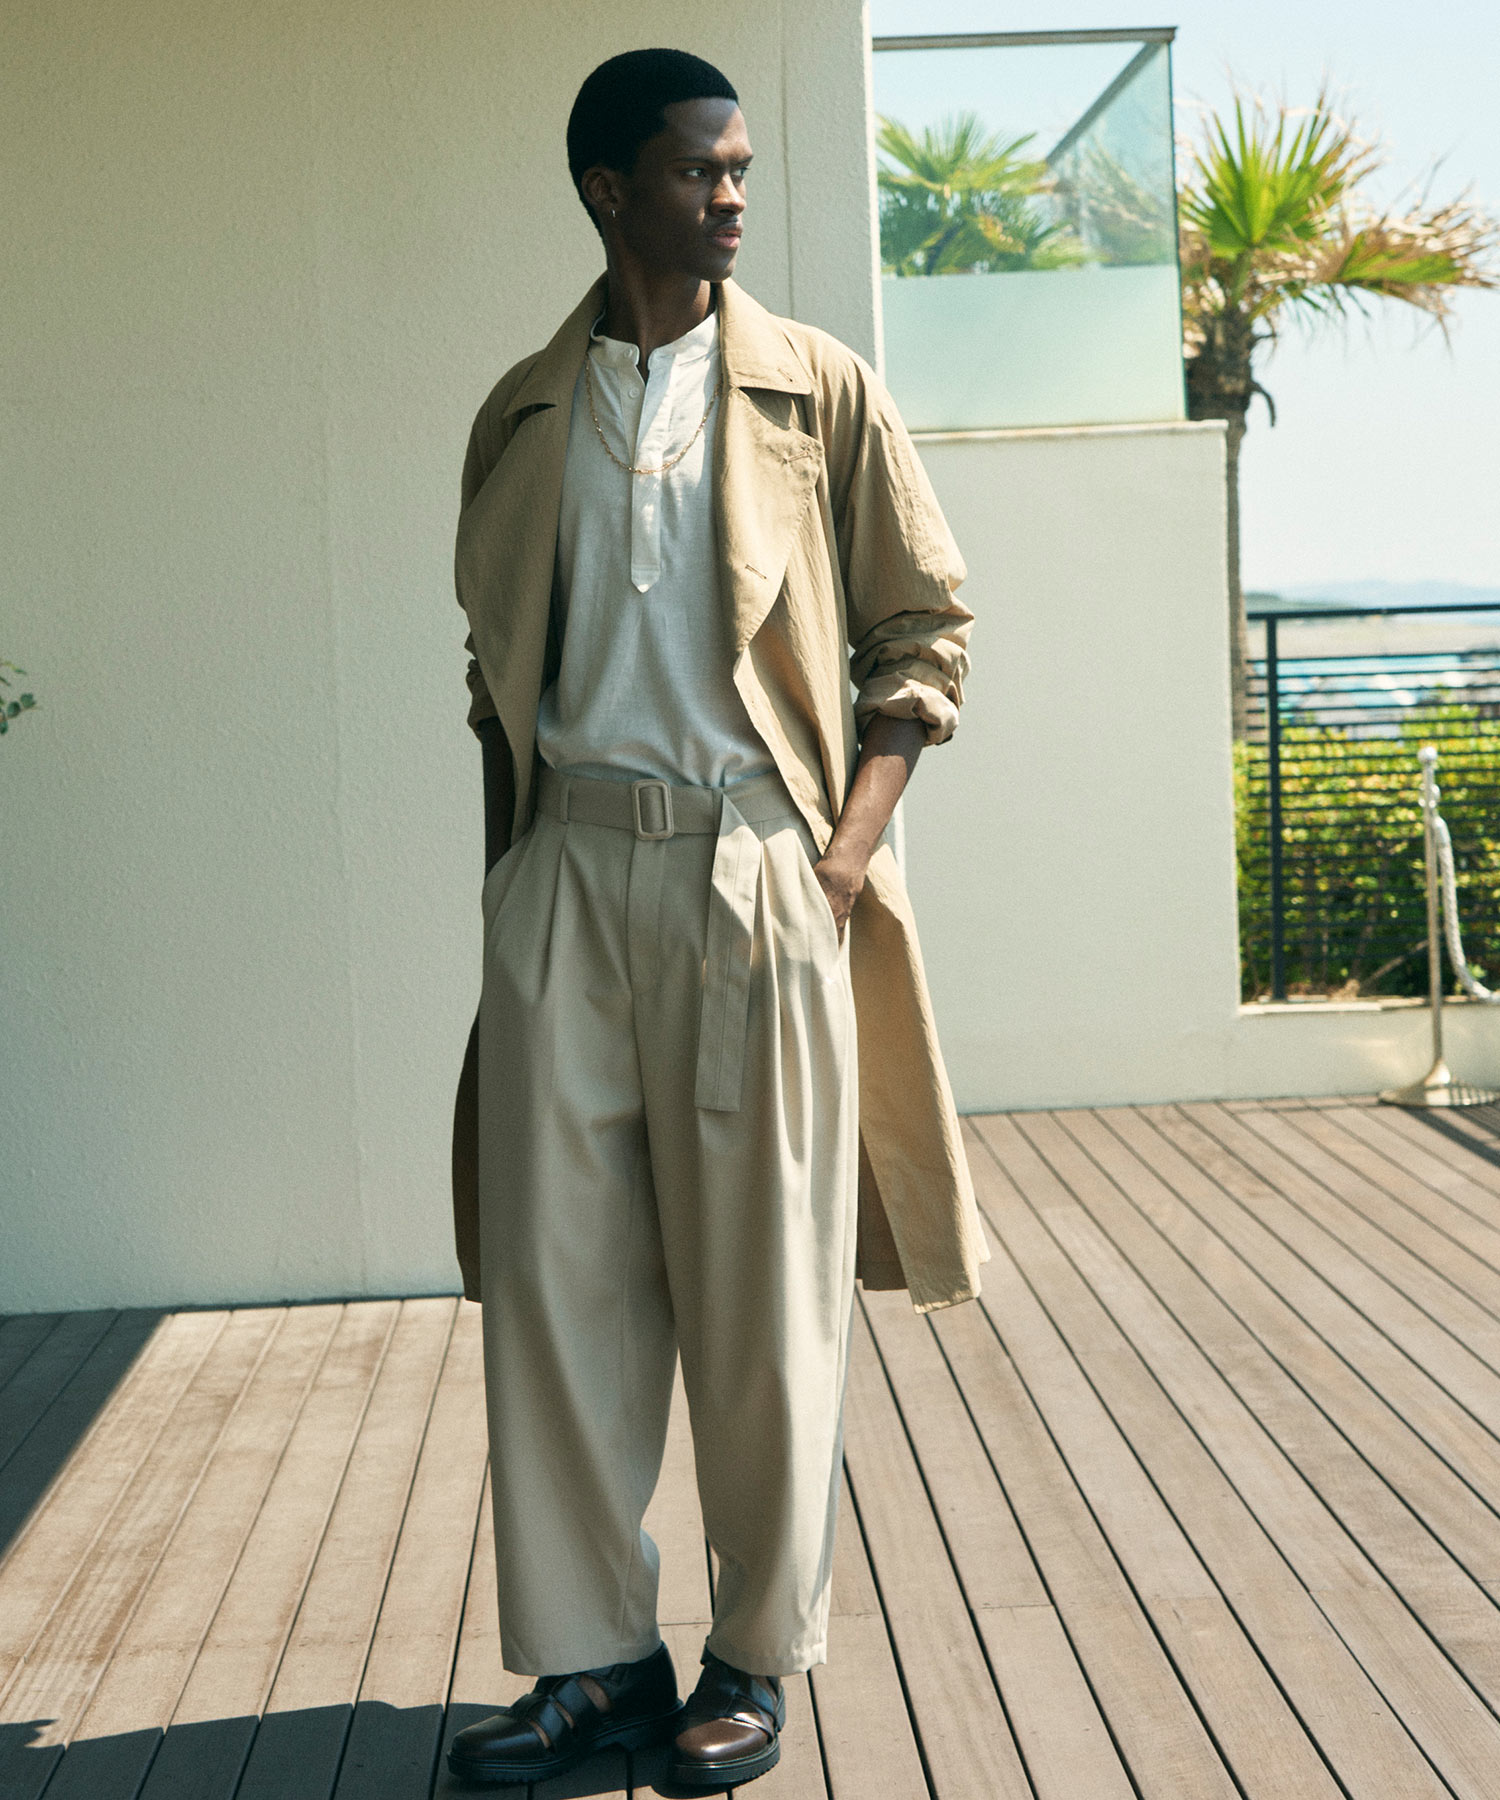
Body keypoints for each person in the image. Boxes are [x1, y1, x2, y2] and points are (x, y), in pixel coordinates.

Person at [445, 47, 986, 1791]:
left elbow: (925, 632)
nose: (732, 197)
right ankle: (594, 1660)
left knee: (763, 1291)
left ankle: (754, 1657)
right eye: (699, 172)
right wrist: (514, 877)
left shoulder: (819, 392)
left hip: (757, 871)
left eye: (742, 169)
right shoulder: (522, 412)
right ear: (610, 191)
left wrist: (846, 854)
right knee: (558, 1294)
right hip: (567, 878)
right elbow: (494, 667)